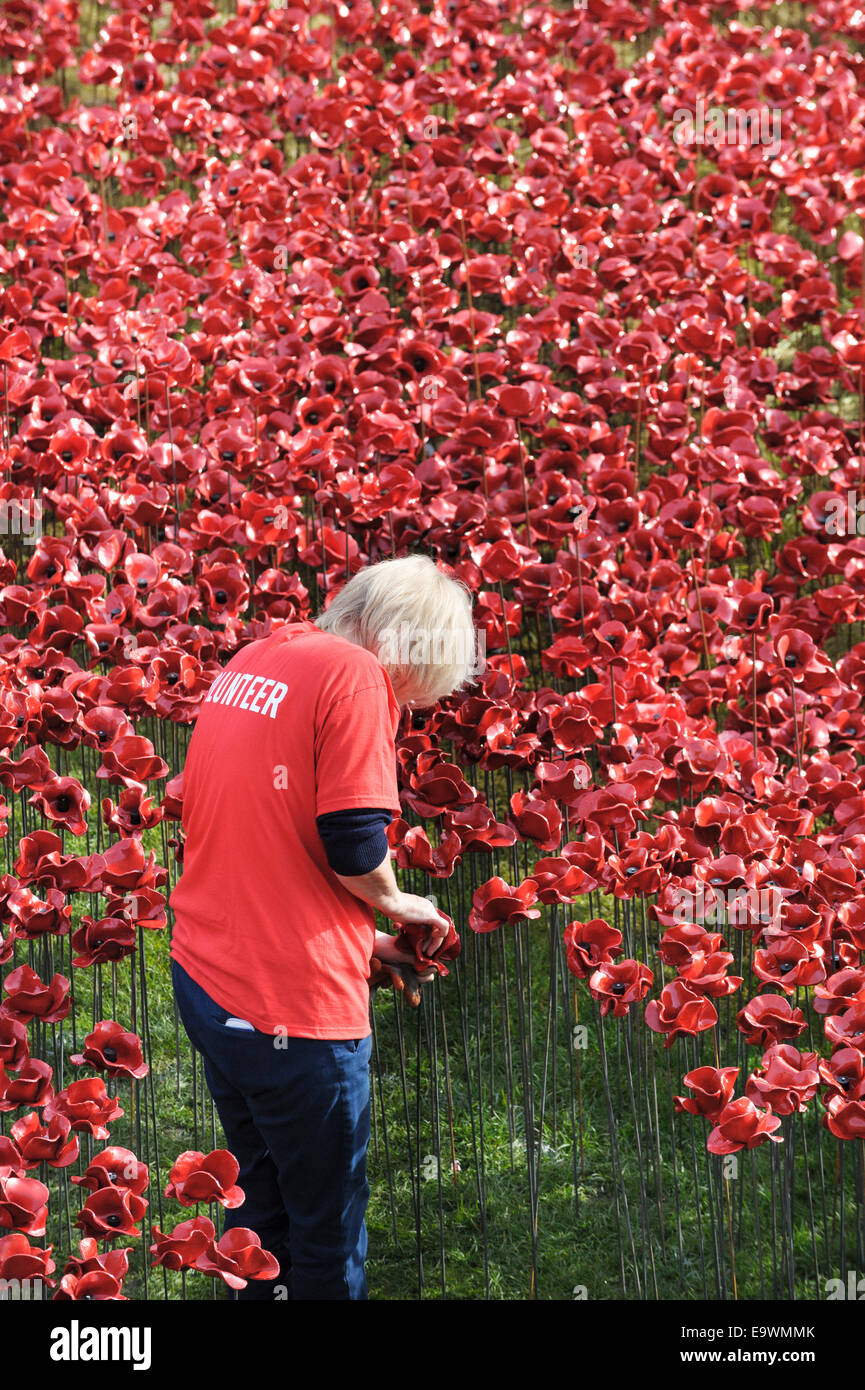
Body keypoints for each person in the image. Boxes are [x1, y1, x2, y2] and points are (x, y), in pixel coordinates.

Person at [169, 554, 476, 1300]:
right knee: (325, 1233)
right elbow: (350, 841)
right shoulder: (354, 675)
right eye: (418, 685)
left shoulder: (255, 660)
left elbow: (258, 833)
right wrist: (401, 905)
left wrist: (358, 942)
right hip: (291, 1012)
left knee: (262, 1216)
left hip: (210, 980)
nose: (409, 704)